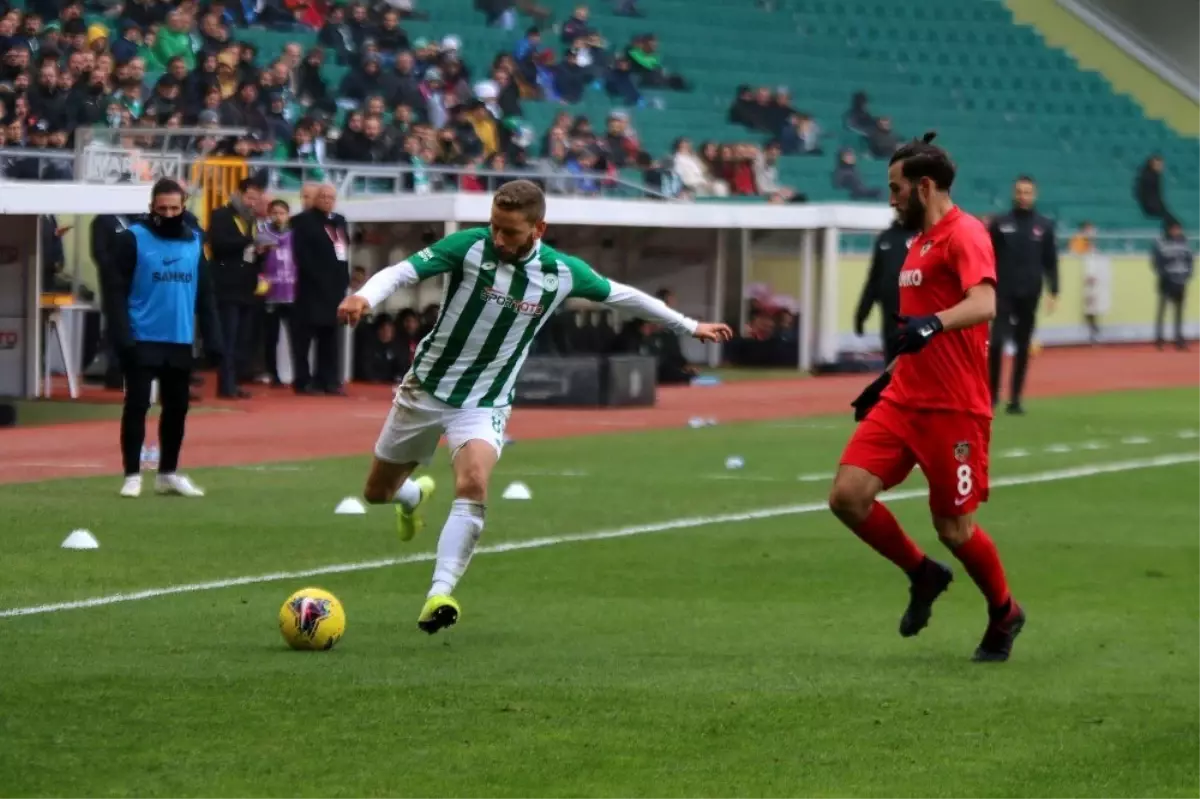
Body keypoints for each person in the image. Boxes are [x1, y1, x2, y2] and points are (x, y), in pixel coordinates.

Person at [336, 179, 733, 635]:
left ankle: (439, 594)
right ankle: (412, 494)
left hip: (485, 399)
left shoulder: (561, 272)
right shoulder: (468, 247)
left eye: (510, 231)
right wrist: (365, 295)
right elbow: (404, 272)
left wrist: (688, 325)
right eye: (495, 227)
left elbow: (622, 295)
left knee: (474, 482)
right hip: (423, 391)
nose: (499, 238)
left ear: (538, 228)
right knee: (376, 494)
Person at [828, 132, 1024, 663]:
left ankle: (1005, 612)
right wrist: (886, 376)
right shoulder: (917, 244)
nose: (890, 197)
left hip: (953, 408)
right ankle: (923, 574)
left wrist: (933, 325)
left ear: (925, 186)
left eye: (896, 188)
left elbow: (983, 302)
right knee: (847, 497)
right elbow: (913, 331)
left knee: (954, 528)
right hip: (904, 399)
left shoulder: (966, 234)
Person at [100, 178, 223, 499]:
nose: (168, 213)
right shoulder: (132, 239)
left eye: (174, 208)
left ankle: (168, 473)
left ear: (184, 208)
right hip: (142, 336)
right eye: (162, 208)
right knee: (138, 405)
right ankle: (132, 474)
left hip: (179, 337)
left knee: (177, 408)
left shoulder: (195, 241)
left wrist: (214, 340)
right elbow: (114, 293)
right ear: (152, 207)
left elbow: (205, 295)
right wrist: (122, 336)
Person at [987, 176, 1058, 415]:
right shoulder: (1000, 223)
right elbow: (987, 257)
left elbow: (1051, 261)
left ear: (1034, 195)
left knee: (1022, 345)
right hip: (1002, 293)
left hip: (1030, 293)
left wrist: (1054, 290)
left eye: (1027, 192)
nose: (1023, 196)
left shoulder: (1044, 225)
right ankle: (991, 395)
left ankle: (1015, 398)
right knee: (996, 342)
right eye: (1019, 191)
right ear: (1014, 193)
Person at [207, 177, 265, 399]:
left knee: (241, 339)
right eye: (250, 198)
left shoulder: (252, 219)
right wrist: (250, 242)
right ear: (239, 194)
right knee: (228, 339)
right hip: (226, 285)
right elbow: (218, 244)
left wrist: (260, 252)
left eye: (256, 199)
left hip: (246, 286)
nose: (252, 203)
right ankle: (226, 385)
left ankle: (234, 381)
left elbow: (248, 252)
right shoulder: (221, 215)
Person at [291, 184, 351, 395]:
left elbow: (343, 253)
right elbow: (301, 255)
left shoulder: (339, 221)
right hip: (311, 288)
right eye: (323, 196)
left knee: (330, 338)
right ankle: (303, 380)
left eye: (331, 197)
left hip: (334, 290)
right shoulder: (303, 221)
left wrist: (343, 281)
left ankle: (329, 380)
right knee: (305, 337)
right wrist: (319, 278)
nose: (327, 200)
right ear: (315, 199)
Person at [854, 217, 918, 363]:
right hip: (889, 315)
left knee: (912, 360)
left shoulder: (922, 235)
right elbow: (873, 279)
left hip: (915, 315)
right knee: (891, 360)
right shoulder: (885, 238)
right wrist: (861, 314)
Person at [1152, 219, 1193, 351]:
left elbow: (1189, 260)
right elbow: (1157, 262)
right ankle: (1159, 339)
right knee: (1162, 311)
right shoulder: (1161, 242)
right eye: (1174, 229)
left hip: (1181, 281)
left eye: (1178, 229)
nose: (1176, 231)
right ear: (1168, 230)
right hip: (1166, 281)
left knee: (1179, 312)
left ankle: (1179, 340)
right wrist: (1166, 275)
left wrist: (1187, 275)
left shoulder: (1184, 242)